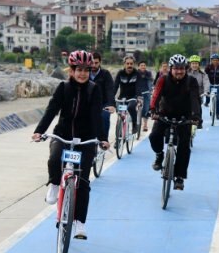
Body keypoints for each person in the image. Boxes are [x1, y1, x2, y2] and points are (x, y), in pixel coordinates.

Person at [32, 50, 110, 240]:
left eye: (86, 70)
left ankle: (80, 223)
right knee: (53, 158)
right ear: (72, 70)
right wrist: (39, 131)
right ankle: (54, 184)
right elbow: (51, 111)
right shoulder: (63, 88)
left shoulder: (94, 89)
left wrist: (102, 138)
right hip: (63, 135)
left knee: (82, 182)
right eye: (78, 69)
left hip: (86, 140)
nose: (82, 73)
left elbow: (96, 116)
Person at [149, 54, 201, 190]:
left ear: (186, 69)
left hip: (185, 117)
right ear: (171, 68)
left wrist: (196, 116)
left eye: (182, 68)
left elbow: (195, 100)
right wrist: (153, 110)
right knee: (154, 136)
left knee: (184, 145)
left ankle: (179, 177)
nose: (179, 71)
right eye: (176, 68)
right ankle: (159, 155)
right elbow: (156, 95)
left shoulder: (191, 81)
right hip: (165, 114)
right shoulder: (163, 80)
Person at [90, 52, 115, 139]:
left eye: (96, 63)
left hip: (103, 103)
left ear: (100, 62)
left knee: (104, 116)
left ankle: (104, 141)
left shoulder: (105, 74)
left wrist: (111, 104)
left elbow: (110, 90)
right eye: (91, 62)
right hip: (89, 103)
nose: (93, 65)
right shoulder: (85, 74)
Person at [113, 55, 140, 134]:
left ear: (134, 64)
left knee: (131, 107)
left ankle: (134, 125)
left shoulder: (137, 74)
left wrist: (139, 97)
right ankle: (118, 137)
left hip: (133, 97)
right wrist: (111, 96)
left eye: (131, 64)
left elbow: (138, 87)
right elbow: (115, 86)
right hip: (122, 97)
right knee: (120, 115)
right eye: (127, 64)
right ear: (124, 64)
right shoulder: (120, 73)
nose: (129, 65)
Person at [188, 55, 209, 129]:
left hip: (199, 95)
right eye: (193, 63)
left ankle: (199, 122)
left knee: (198, 108)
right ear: (190, 64)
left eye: (196, 63)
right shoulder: (186, 73)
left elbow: (206, 83)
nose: (194, 65)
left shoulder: (202, 74)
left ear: (199, 64)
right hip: (187, 94)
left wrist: (206, 91)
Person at [204, 53, 219, 120]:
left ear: (218, 61)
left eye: (216, 60)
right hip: (211, 85)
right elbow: (205, 73)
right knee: (207, 94)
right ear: (211, 60)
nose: (215, 61)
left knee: (218, 100)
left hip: (218, 85)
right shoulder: (209, 67)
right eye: (213, 60)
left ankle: (218, 114)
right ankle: (207, 103)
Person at [136, 60, 153, 131]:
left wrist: (151, 91)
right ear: (139, 67)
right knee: (135, 108)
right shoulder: (136, 73)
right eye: (141, 65)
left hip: (146, 93)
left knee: (146, 109)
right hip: (138, 93)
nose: (143, 67)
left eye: (144, 65)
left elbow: (150, 82)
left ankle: (145, 125)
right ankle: (135, 122)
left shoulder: (148, 73)